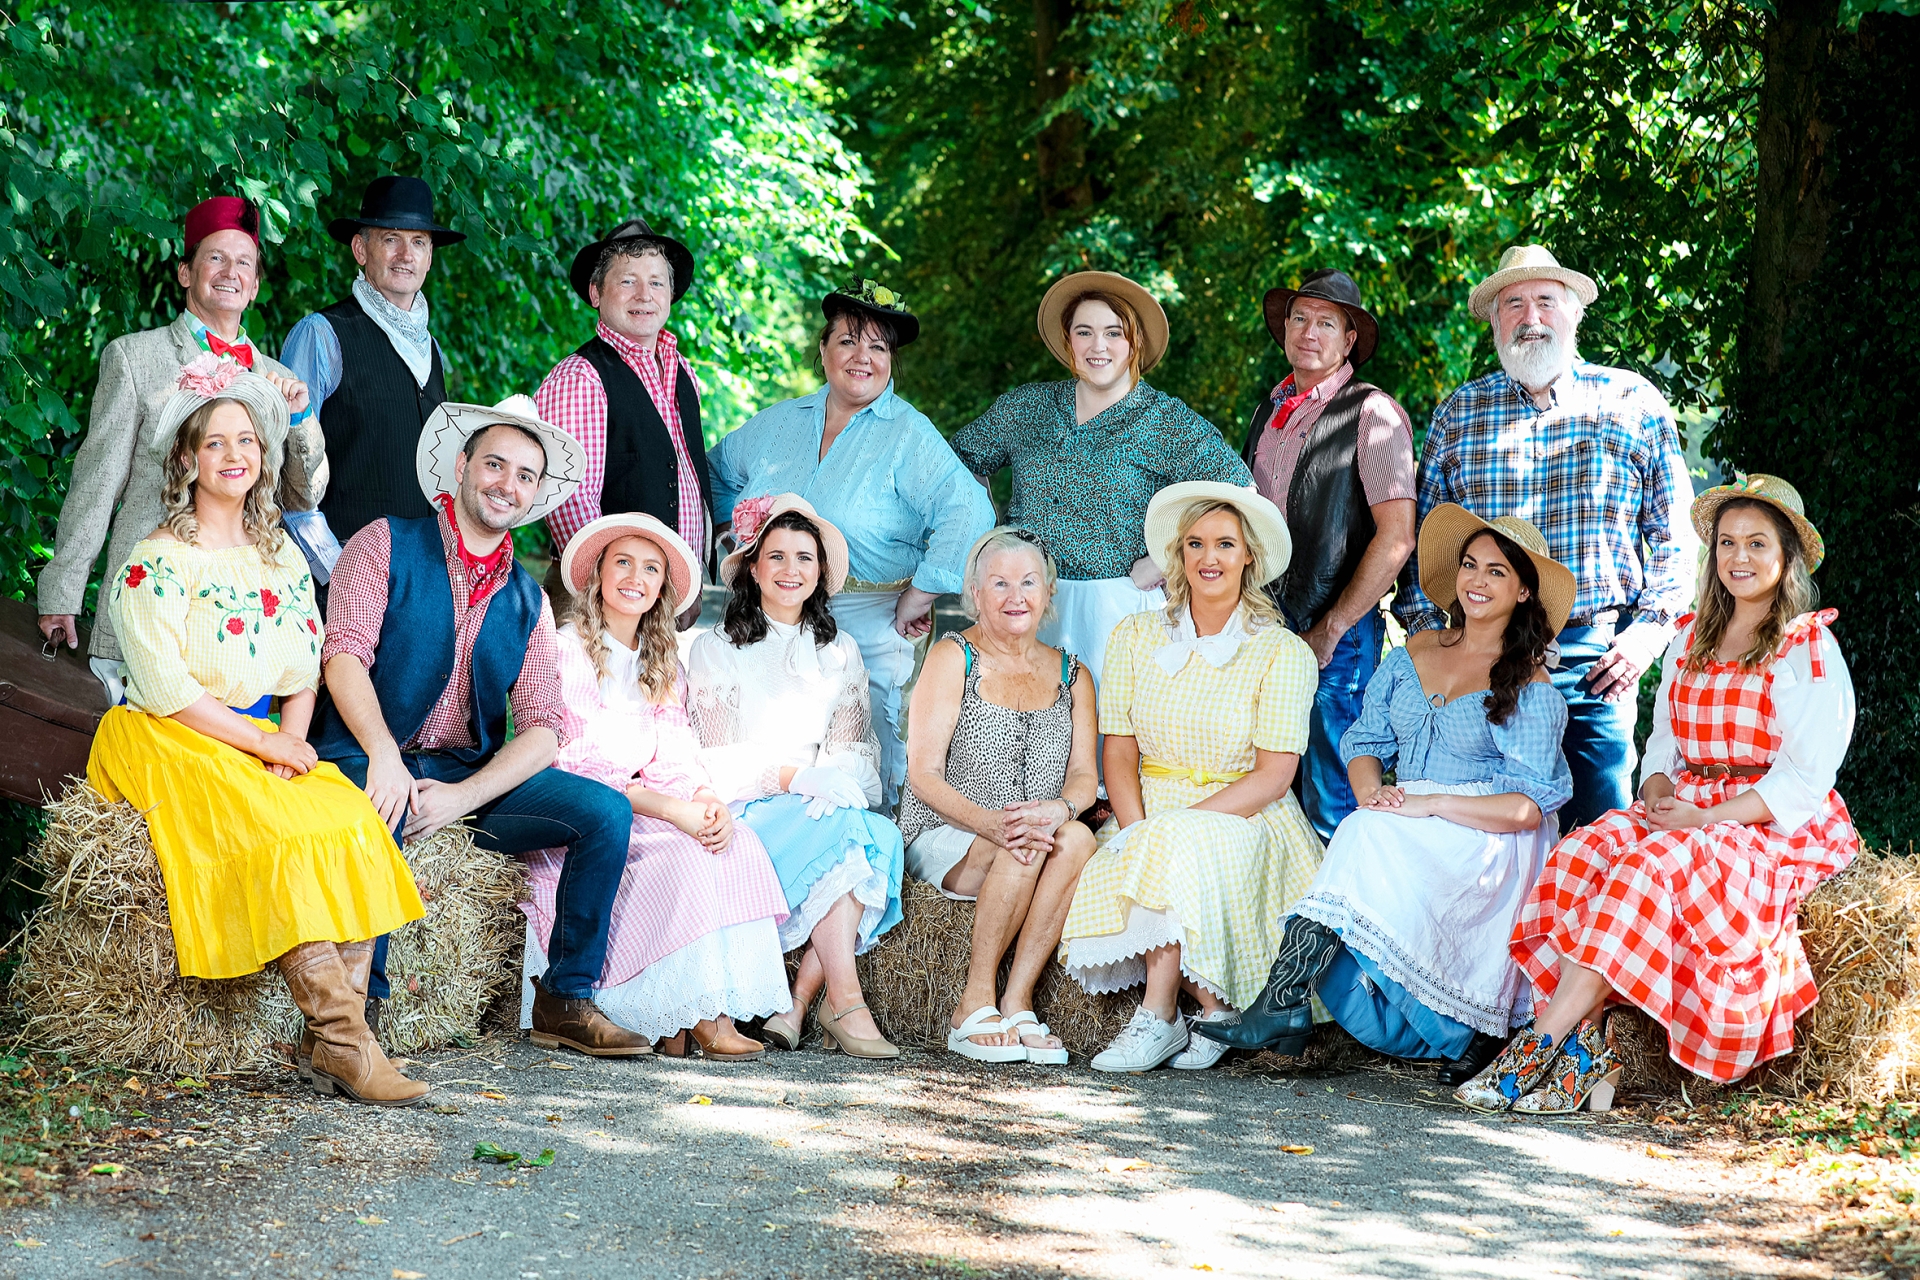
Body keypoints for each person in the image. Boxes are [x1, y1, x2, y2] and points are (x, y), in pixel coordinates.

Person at [85, 355, 426, 1105]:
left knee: (349, 818)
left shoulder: (281, 559)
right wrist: (264, 743)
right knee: (275, 839)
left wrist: (292, 741)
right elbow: (167, 688)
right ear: (186, 459)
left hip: (258, 732)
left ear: (264, 456)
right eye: (215, 442)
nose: (235, 455)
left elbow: (302, 670)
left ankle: (333, 1041)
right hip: (170, 732)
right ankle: (350, 1043)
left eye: (247, 441)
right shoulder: (156, 561)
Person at [1463, 475, 1860, 1113]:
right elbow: (1663, 745)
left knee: (1649, 868)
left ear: (1786, 557)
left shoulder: (1807, 645)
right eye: (1727, 543)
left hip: (1766, 824)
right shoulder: (1690, 636)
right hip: (1689, 806)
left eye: (1757, 544)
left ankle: (1536, 1046)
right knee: (1581, 854)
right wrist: (1654, 792)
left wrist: (1704, 818)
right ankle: (1582, 1061)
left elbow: (1804, 780)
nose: (1739, 558)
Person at [307, 393, 652, 1060]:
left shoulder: (529, 599)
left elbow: (546, 729)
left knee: (606, 813)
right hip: (362, 750)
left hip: (463, 772)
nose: (507, 484)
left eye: (525, 476)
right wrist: (382, 754)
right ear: (461, 467)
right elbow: (343, 655)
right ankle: (357, 1018)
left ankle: (564, 997)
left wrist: (465, 798)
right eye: (495, 465)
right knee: (382, 813)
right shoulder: (383, 543)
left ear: (535, 494)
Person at [1197, 508, 1573, 1087]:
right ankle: (1291, 1001)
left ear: (1524, 591)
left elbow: (1526, 809)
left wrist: (1429, 805)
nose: (1477, 580)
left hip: (1485, 833)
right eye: (1470, 565)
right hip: (1405, 819)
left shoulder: (1531, 682)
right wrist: (1372, 791)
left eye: (1497, 573)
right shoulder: (1417, 649)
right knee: (1364, 826)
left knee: (1361, 834)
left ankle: (1293, 1001)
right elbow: (1365, 741)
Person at [1395, 245, 1697, 832]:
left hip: (1596, 658)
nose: (1530, 318)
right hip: (1484, 658)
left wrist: (1648, 635)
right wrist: (1435, 648)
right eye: (1513, 304)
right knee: (1479, 839)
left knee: (1600, 834)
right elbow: (1421, 546)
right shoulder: (1460, 413)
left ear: (1574, 313)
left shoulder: (1632, 401)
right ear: (1494, 322)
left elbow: (1674, 534)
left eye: (1544, 301)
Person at [1058, 482, 1322, 1073]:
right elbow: (1119, 750)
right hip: (1145, 802)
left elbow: (1275, 777)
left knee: (1172, 846)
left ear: (1248, 555)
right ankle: (1216, 1012)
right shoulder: (1135, 635)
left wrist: (1171, 829)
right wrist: (1136, 826)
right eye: (1195, 544)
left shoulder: (1281, 652)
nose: (1209, 557)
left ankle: (1158, 1018)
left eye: (1225, 544)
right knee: (1151, 847)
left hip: (1246, 812)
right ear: (1177, 555)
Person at [710, 280, 996, 805]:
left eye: (879, 347)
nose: (862, 357)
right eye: (847, 341)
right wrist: (733, 536)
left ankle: (871, 854)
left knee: (867, 748)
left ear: (891, 362)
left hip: (865, 612)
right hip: (769, 610)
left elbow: (969, 510)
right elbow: (716, 473)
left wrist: (924, 591)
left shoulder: (909, 435)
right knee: (770, 739)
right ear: (823, 350)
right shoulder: (778, 423)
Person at [525, 513, 792, 1059]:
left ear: (662, 590)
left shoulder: (660, 663)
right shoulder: (566, 648)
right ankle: (694, 1017)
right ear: (598, 573)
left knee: (736, 844)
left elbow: (673, 745)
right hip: (589, 812)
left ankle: (696, 1012)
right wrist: (672, 812)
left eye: (650, 569)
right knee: (680, 854)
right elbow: (577, 763)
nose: (635, 577)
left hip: (645, 799)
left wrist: (704, 798)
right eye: (622, 562)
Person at [38, 196, 322, 702]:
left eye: (244, 262)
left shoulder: (279, 381)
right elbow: (97, 485)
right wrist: (62, 591)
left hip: (238, 630)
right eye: (215, 257)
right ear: (185, 273)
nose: (230, 272)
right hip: (144, 614)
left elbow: (304, 497)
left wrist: (299, 419)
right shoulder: (134, 358)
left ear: (255, 287)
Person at [952, 271, 1251, 689]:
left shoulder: (1163, 419)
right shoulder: (1027, 407)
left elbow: (1238, 492)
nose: (1098, 346)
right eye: (1084, 332)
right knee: (1026, 732)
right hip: (1028, 603)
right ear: (1068, 339)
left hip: (1120, 606)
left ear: (1134, 341)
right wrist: (994, 541)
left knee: (1113, 741)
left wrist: (1169, 557)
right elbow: (958, 464)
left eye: (1114, 333)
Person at [686, 494, 907, 1059]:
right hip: (748, 808)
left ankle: (799, 1003)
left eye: (804, 558)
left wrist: (826, 778)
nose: (791, 570)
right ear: (752, 567)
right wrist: (794, 777)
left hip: (817, 802)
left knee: (872, 831)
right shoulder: (717, 649)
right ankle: (843, 1001)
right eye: (777, 556)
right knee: (863, 837)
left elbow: (858, 753)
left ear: (821, 572)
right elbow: (714, 758)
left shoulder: (840, 651)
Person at [898, 527, 1100, 1063]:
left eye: (1029, 582)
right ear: (976, 593)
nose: (1016, 597)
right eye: (1000, 583)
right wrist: (991, 824)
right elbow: (922, 774)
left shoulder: (1073, 675)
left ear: (1049, 592)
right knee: (1022, 838)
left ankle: (1017, 1000)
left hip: (1037, 833)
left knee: (1077, 838)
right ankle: (972, 1000)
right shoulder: (952, 656)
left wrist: (1059, 808)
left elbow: (1083, 776)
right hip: (951, 834)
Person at [1241, 269, 1417, 841]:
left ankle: (1341, 928)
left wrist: (1333, 628)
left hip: (1335, 632)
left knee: (1336, 796)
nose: (1308, 332)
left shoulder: (1374, 414)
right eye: (1299, 318)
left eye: (1325, 323)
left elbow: (1397, 538)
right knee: (1269, 785)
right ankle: (1286, 925)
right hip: (1262, 624)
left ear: (1348, 341)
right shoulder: (1268, 411)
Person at [539, 219, 711, 626]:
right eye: (628, 281)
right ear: (596, 293)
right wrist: (617, 592)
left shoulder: (681, 370)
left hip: (662, 597)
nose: (644, 295)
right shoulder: (581, 376)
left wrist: (689, 580)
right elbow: (570, 502)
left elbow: (686, 474)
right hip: (598, 601)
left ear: (670, 294)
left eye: (656, 283)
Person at [281, 176, 464, 545]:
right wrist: (331, 568)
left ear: (429, 258)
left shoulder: (434, 352)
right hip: (341, 571)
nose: (405, 255)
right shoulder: (322, 335)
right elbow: (286, 469)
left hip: (422, 574)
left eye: (418, 242)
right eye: (391, 239)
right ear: (361, 250)